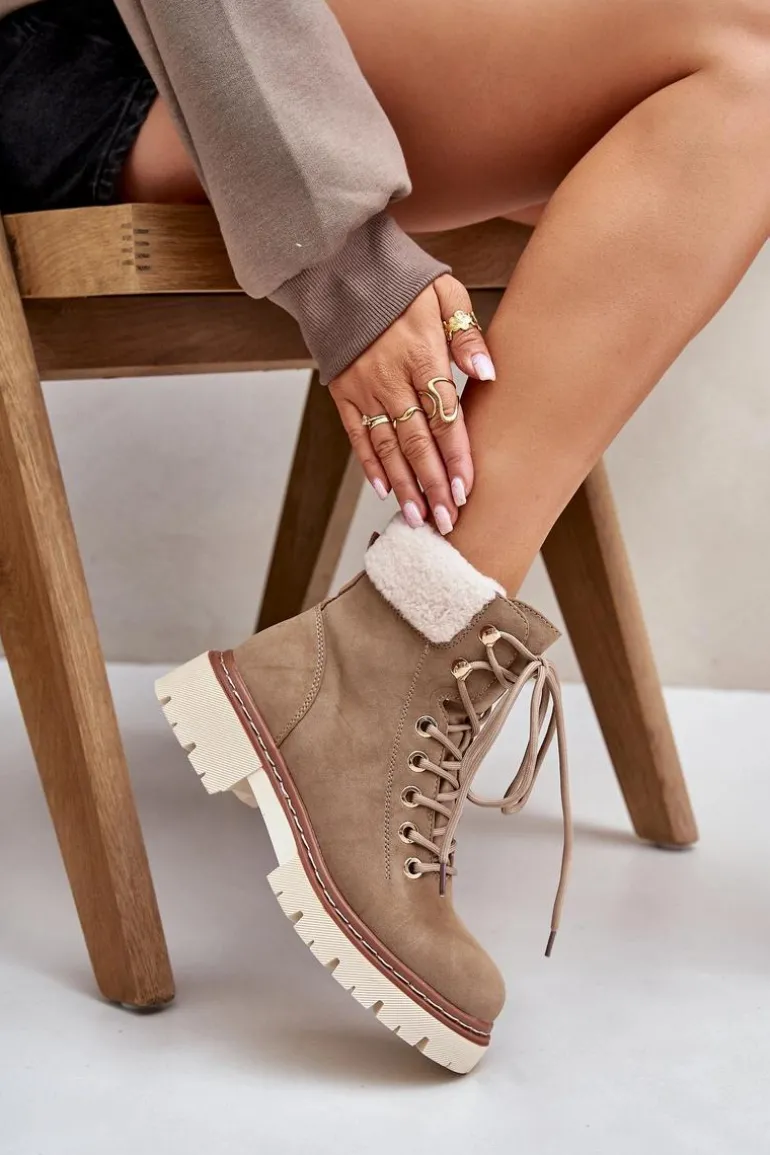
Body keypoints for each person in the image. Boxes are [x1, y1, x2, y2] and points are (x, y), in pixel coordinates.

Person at [3, 0, 769, 1072]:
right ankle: (397, 649)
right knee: (745, 59)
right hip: (109, 52)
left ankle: (385, 651)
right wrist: (345, 264)